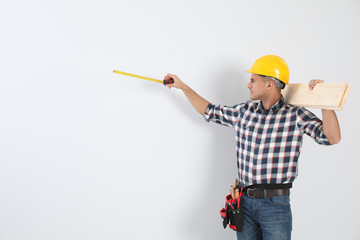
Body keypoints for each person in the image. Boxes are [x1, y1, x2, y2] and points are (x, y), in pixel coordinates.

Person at [163, 55, 341, 240]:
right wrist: (183, 87)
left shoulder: (294, 115)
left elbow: (331, 138)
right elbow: (210, 111)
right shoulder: (245, 111)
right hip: (244, 202)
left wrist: (324, 100)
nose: (248, 85)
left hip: (275, 205)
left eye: (253, 80)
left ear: (269, 84)